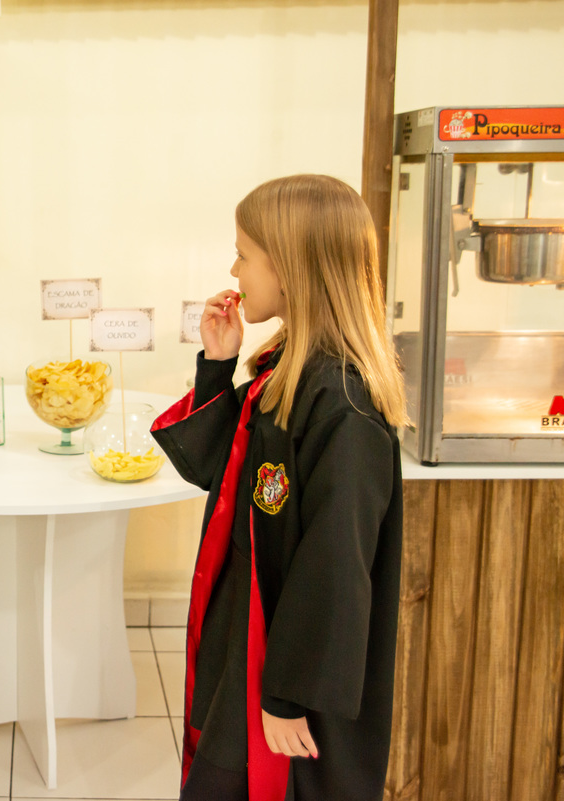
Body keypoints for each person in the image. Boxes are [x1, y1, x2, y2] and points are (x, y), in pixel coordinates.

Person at [150, 174, 406, 801]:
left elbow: (335, 568)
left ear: (289, 268)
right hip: (250, 629)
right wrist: (218, 364)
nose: (234, 270)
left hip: (287, 659)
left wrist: (288, 696)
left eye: (244, 253)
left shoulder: (343, 405)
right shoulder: (290, 367)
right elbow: (232, 475)